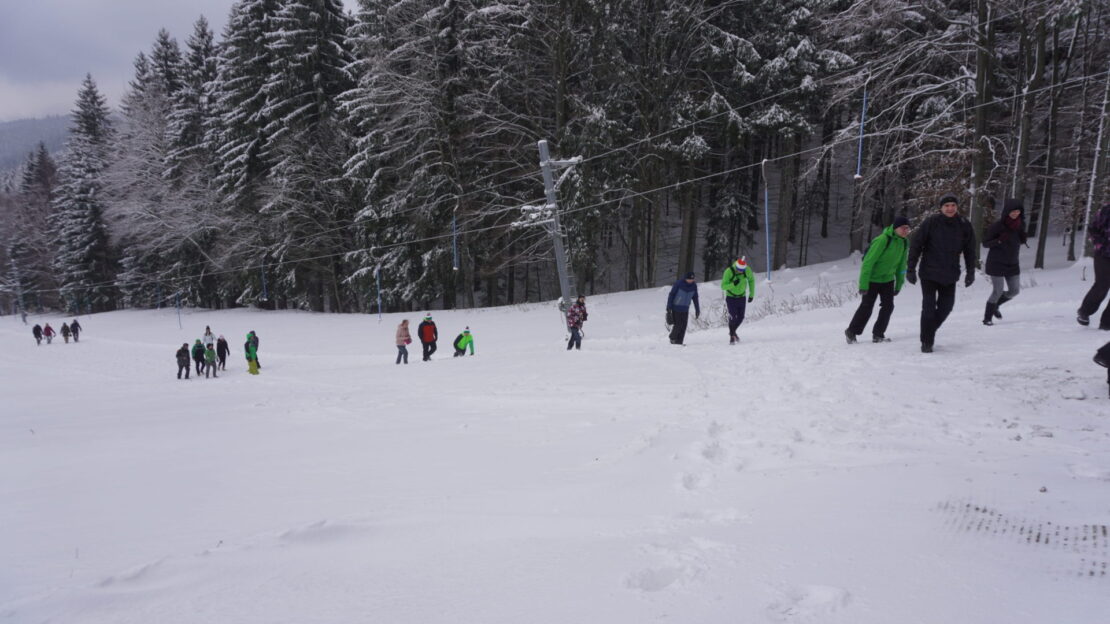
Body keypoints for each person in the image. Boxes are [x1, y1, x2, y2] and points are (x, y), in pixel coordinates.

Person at [906, 194, 977, 353]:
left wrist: (970, 272)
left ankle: (928, 332)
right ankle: (927, 342)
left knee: (947, 307)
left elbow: (970, 251)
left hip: (950, 274)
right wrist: (910, 268)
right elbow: (916, 245)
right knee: (928, 308)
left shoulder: (964, 224)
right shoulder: (931, 223)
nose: (950, 208)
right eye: (947, 206)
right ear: (941, 208)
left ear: (957, 207)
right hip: (929, 273)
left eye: (953, 205)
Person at [845, 216, 910, 343]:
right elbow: (868, 263)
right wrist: (863, 284)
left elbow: (902, 265)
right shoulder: (882, 240)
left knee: (888, 306)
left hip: (888, 280)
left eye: (907, 228)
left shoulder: (904, 242)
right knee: (867, 307)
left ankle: (878, 334)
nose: (905, 231)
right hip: (872, 280)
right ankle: (851, 331)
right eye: (903, 228)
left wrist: (899, 285)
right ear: (895, 228)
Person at [981, 199, 1027, 326]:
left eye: (1018, 211)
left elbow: (1017, 241)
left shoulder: (1020, 224)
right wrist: (999, 241)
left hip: (1012, 263)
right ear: (1007, 211)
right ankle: (987, 318)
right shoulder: (997, 226)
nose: (1015, 213)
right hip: (996, 263)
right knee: (998, 291)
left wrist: (1023, 238)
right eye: (1013, 211)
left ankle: (996, 305)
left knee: (1014, 291)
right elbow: (985, 243)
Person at [1078, 203, 1110, 330]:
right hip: (1104, 254)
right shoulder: (1106, 210)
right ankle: (1085, 312)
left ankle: (1107, 323)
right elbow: (1093, 229)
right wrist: (1100, 245)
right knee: (1102, 284)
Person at [721, 258, 756, 344]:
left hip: (742, 297)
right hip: (731, 297)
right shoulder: (728, 272)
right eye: (739, 270)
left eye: (742, 270)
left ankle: (732, 332)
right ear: (736, 267)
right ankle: (732, 336)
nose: (741, 271)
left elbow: (751, 281)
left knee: (741, 317)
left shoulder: (747, 270)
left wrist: (751, 294)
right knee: (733, 317)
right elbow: (723, 286)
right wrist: (733, 284)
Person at [666, 272, 701, 345]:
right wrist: (669, 307)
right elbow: (671, 295)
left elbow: (695, 298)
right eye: (689, 279)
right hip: (676, 307)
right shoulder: (678, 284)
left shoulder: (694, 286)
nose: (691, 280)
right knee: (678, 325)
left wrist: (697, 309)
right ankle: (672, 338)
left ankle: (679, 342)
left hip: (685, 308)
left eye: (692, 279)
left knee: (684, 326)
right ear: (685, 278)